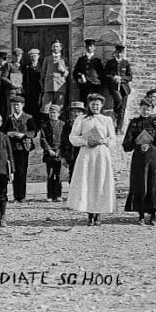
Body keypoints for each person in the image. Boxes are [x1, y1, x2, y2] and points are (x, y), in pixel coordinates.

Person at [66, 93, 117, 226]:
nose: (95, 106)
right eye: (93, 104)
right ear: (89, 105)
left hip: (101, 153)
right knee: (87, 182)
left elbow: (112, 138)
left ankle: (98, 214)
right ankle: (89, 214)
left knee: (100, 181)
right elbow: (73, 137)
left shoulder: (106, 120)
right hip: (87, 153)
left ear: (101, 106)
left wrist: (103, 140)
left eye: (97, 104)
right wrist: (86, 141)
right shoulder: (82, 119)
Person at [122, 98, 156, 225]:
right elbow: (126, 144)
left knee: (154, 185)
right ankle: (141, 215)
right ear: (140, 109)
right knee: (140, 185)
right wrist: (137, 143)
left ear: (152, 110)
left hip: (153, 157)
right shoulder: (134, 123)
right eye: (143, 109)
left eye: (148, 109)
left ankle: (153, 216)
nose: (146, 111)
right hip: (139, 158)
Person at [2, 95, 37, 203]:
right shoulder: (9, 118)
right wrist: (10, 133)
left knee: (22, 172)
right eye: (14, 105)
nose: (16, 107)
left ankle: (21, 196)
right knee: (14, 171)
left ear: (22, 105)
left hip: (23, 148)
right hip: (12, 148)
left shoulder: (28, 118)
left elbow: (34, 131)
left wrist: (24, 135)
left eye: (18, 105)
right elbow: (3, 131)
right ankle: (15, 195)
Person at [104, 44, 133, 134]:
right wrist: (113, 78)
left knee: (123, 109)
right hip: (114, 88)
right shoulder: (110, 63)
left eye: (121, 53)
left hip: (124, 88)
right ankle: (115, 115)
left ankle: (119, 128)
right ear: (115, 53)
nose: (119, 55)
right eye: (117, 53)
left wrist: (121, 78)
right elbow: (105, 75)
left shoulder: (126, 63)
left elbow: (130, 77)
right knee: (118, 100)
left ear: (123, 53)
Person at [38, 104, 65, 202]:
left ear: (58, 114)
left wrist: (59, 150)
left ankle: (58, 194)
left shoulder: (62, 124)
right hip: (48, 154)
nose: (52, 114)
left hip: (59, 153)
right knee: (49, 174)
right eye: (51, 112)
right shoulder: (44, 125)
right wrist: (48, 149)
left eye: (54, 113)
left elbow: (64, 139)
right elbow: (43, 138)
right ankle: (50, 195)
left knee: (58, 175)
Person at [40, 40, 70, 114]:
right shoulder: (47, 59)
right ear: (51, 48)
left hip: (60, 86)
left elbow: (67, 73)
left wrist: (62, 70)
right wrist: (43, 86)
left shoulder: (64, 59)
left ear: (61, 48)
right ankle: (45, 124)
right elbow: (43, 73)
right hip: (48, 87)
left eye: (57, 46)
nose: (55, 48)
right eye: (54, 46)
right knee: (45, 108)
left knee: (59, 107)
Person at [59, 101, 86, 182]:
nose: (76, 114)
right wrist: (63, 157)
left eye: (79, 111)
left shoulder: (86, 124)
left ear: (83, 113)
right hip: (71, 155)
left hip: (84, 154)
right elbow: (63, 141)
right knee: (72, 176)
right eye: (74, 111)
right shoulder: (67, 125)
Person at [22, 48, 43, 121]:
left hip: (39, 90)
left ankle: (38, 126)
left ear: (38, 56)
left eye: (35, 56)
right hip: (29, 91)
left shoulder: (42, 66)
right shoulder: (26, 67)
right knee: (29, 108)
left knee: (38, 108)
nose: (33, 58)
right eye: (31, 56)